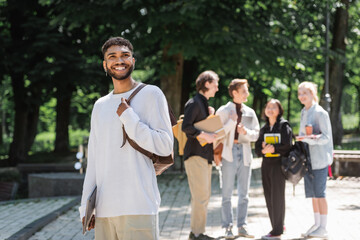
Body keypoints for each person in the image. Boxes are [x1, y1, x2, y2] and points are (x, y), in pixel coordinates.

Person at [79, 37, 173, 240]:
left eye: (125, 55)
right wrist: (85, 206)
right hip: (104, 209)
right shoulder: (100, 105)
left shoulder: (151, 94)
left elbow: (165, 146)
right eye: (112, 57)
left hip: (139, 205)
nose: (119, 60)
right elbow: (94, 159)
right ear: (105, 65)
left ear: (133, 61)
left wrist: (130, 118)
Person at [215, 79, 259, 239]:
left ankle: (242, 226)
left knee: (244, 193)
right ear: (235, 93)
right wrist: (231, 122)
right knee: (226, 193)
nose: (247, 94)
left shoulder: (250, 112)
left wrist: (246, 131)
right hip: (228, 152)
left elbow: (257, 134)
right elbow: (217, 134)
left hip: (245, 152)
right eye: (244, 91)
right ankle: (227, 227)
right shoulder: (224, 110)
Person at [182, 70, 219, 240]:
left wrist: (210, 116)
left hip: (204, 155)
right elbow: (186, 127)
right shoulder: (195, 102)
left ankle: (198, 232)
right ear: (206, 84)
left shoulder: (203, 103)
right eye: (215, 84)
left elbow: (200, 125)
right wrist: (205, 136)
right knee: (200, 196)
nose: (217, 88)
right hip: (195, 155)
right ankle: (196, 234)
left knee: (204, 195)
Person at [297, 81, 333, 239]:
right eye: (300, 93)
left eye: (305, 93)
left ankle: (323, 227)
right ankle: (316, 224)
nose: (301, 96)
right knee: (313, 194)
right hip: (307, 159)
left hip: (319, 159)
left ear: (313, 94)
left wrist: (308, 139)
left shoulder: (320, 112)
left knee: (320, 193)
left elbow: (326, 137)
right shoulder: (303, 112)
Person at [255, 99, 293, 240]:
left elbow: (288, 145)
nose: (270, 109)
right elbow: (257, 148)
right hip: (266, 164)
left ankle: (276, 232)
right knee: (269, 196)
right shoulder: (264, 128)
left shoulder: (284, 126)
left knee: (277, 197)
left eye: (273, 107)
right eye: (268, 107)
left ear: (279, 110)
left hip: (278, 165)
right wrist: (263, 150)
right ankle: (279, 224)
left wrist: (274, 148)